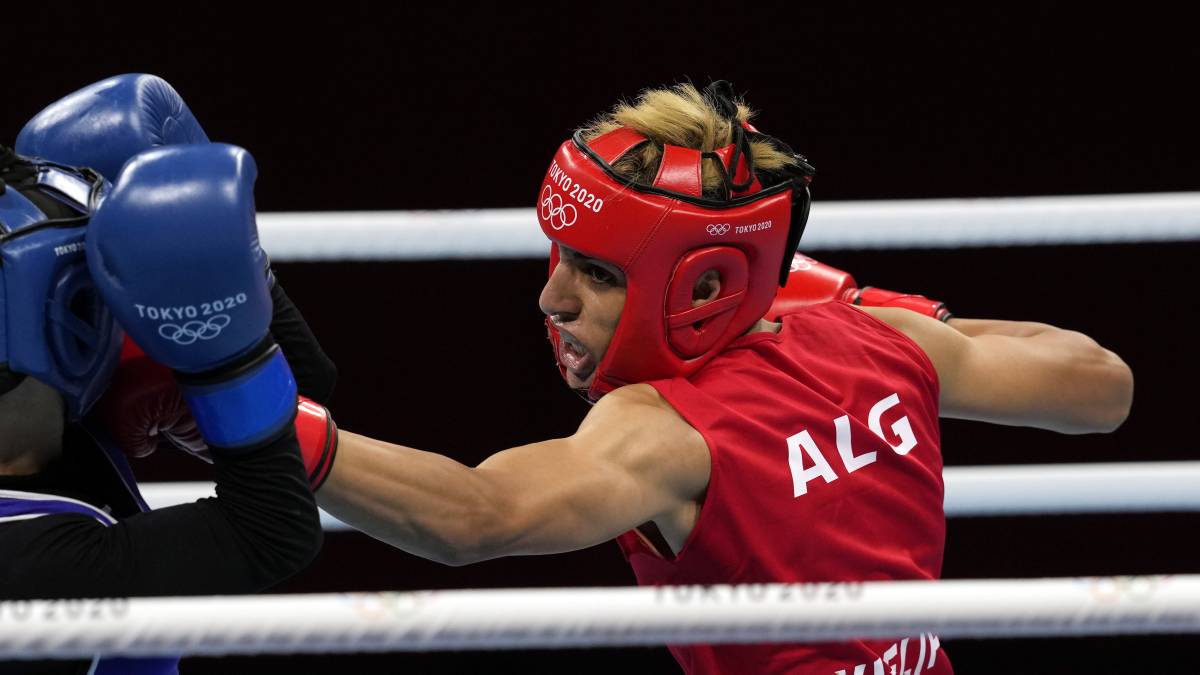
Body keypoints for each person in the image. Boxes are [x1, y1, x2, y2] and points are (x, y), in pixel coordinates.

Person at [115, 79, 1133, 673]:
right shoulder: (886, 346)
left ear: (701, 284)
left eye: (595, 275)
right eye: (555, 256)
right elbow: (1102, 385)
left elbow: (480, 515)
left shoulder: (664, 434)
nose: (552, 300)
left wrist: (261, 421)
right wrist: (869, 307)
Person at [0, 75, 336, 675]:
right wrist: (223, 357)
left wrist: (238, 270)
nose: (106, 315)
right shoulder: (35, 554)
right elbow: (275, 531)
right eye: (88, 300)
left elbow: (306, 387)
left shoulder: (48, 434)